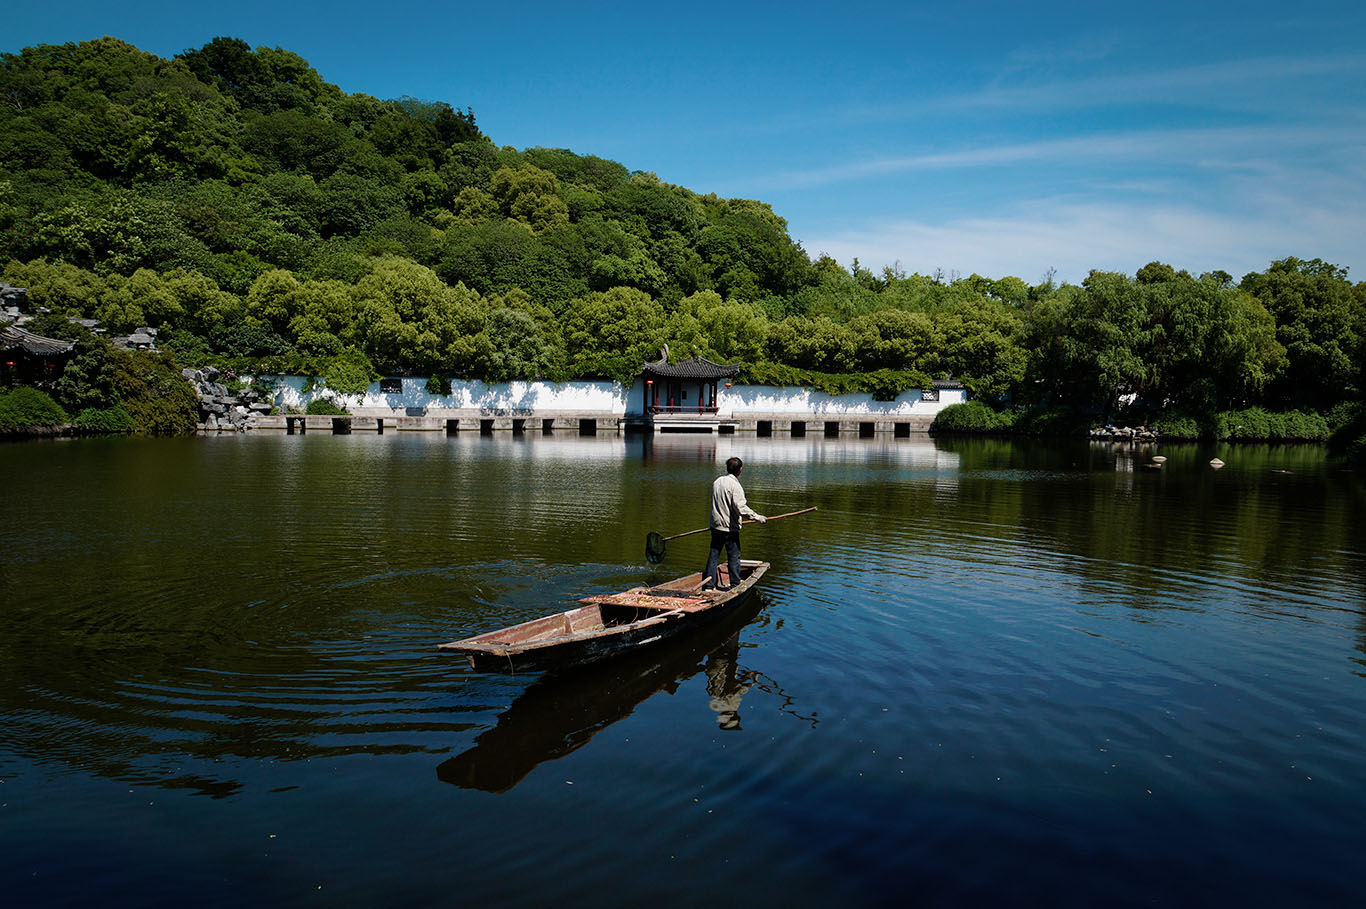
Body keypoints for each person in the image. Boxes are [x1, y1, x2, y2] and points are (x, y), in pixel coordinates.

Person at [702, 457, 765, 591]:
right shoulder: (735, 486)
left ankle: (708, 585)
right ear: (740, 470)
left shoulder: (717, 482)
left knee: (714, 554)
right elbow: (741, 508)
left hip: (716, 526)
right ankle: (735, 584)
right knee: (734, 556)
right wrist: (757, 517)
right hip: (729, 529)